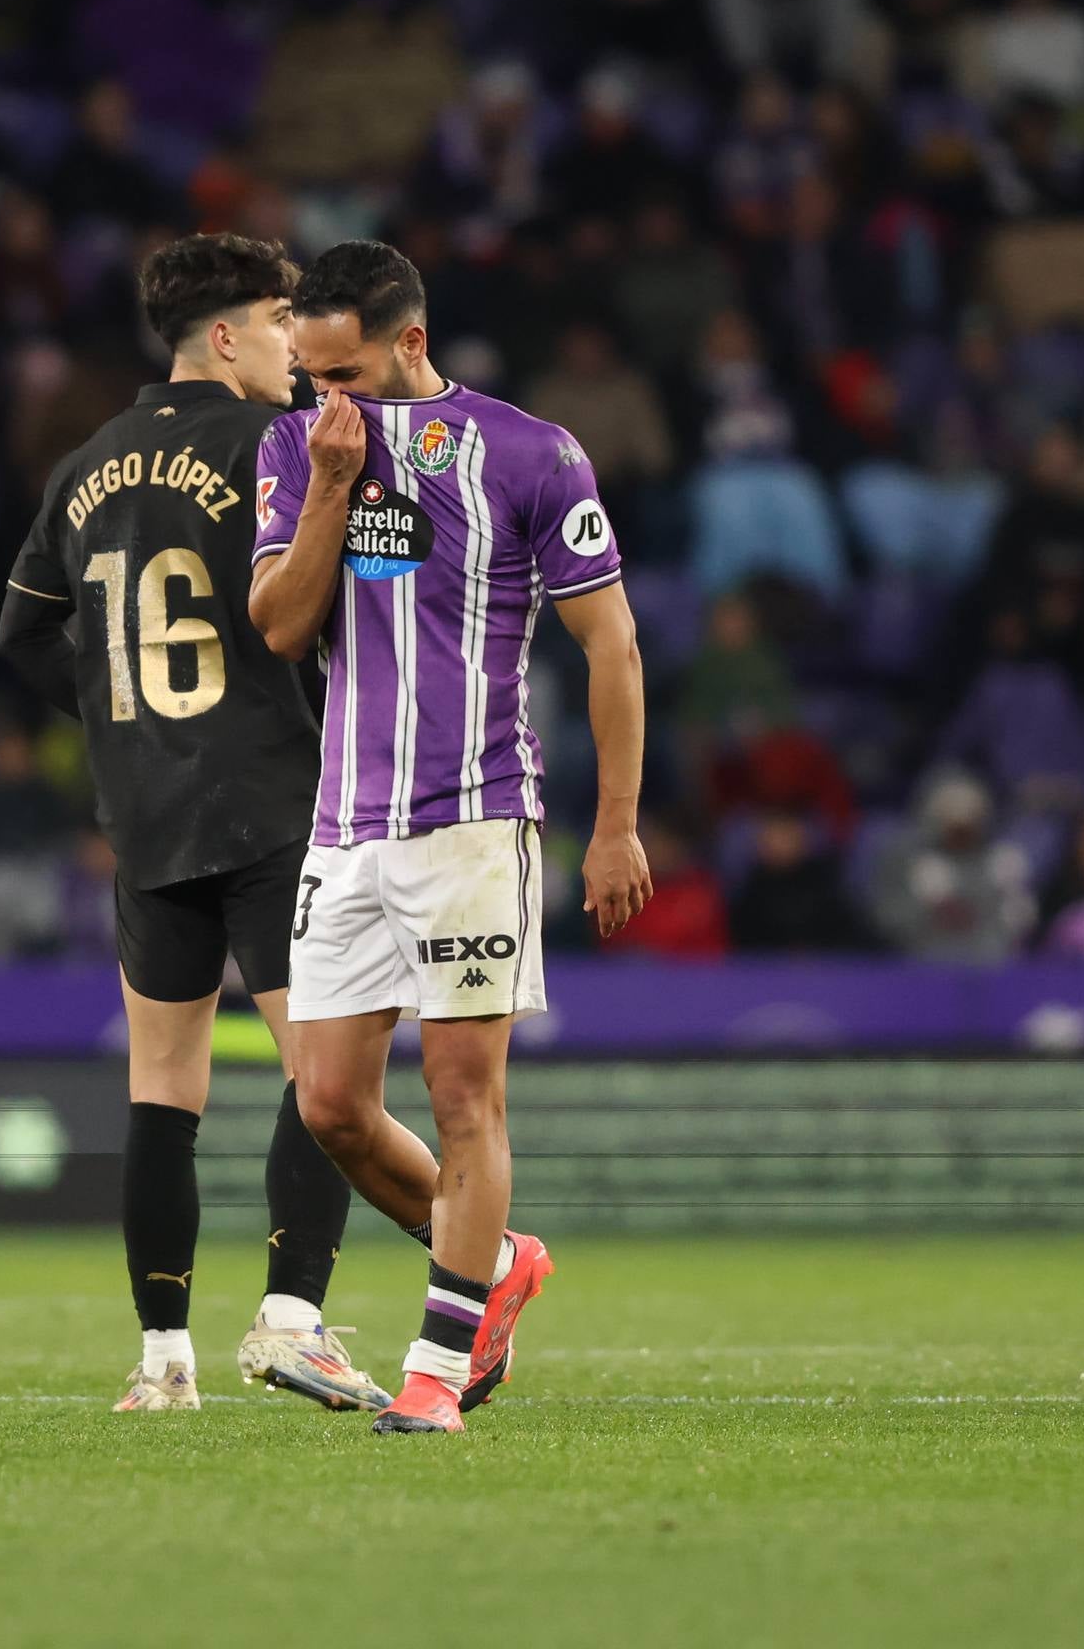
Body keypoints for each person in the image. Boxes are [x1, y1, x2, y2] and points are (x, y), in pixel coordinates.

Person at [248, 240, 652, 1436]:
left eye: (346, 373)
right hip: (343, 830)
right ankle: (496, 1263)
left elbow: (611, 644)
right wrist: (327, 485)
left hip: (475, 818)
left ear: (409, 344)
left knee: (464, 1092)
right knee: (327, 1107)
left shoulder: (530, 453)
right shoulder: (293, 449)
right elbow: (276, 626)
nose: (326, 397)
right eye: (309, 375)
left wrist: (616, 825)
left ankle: (434, 1376)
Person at [0, 233, 384, 1416]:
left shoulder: (85, 465)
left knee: (163, 1093)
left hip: (148, 814)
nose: (292, 348)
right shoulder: (276, 447)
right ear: (225, 335)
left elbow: (22, 638)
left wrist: (124, 726)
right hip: (271, 799)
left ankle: (162, 1358)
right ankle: (291, 1318)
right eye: (277, 322)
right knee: (328, 1080)